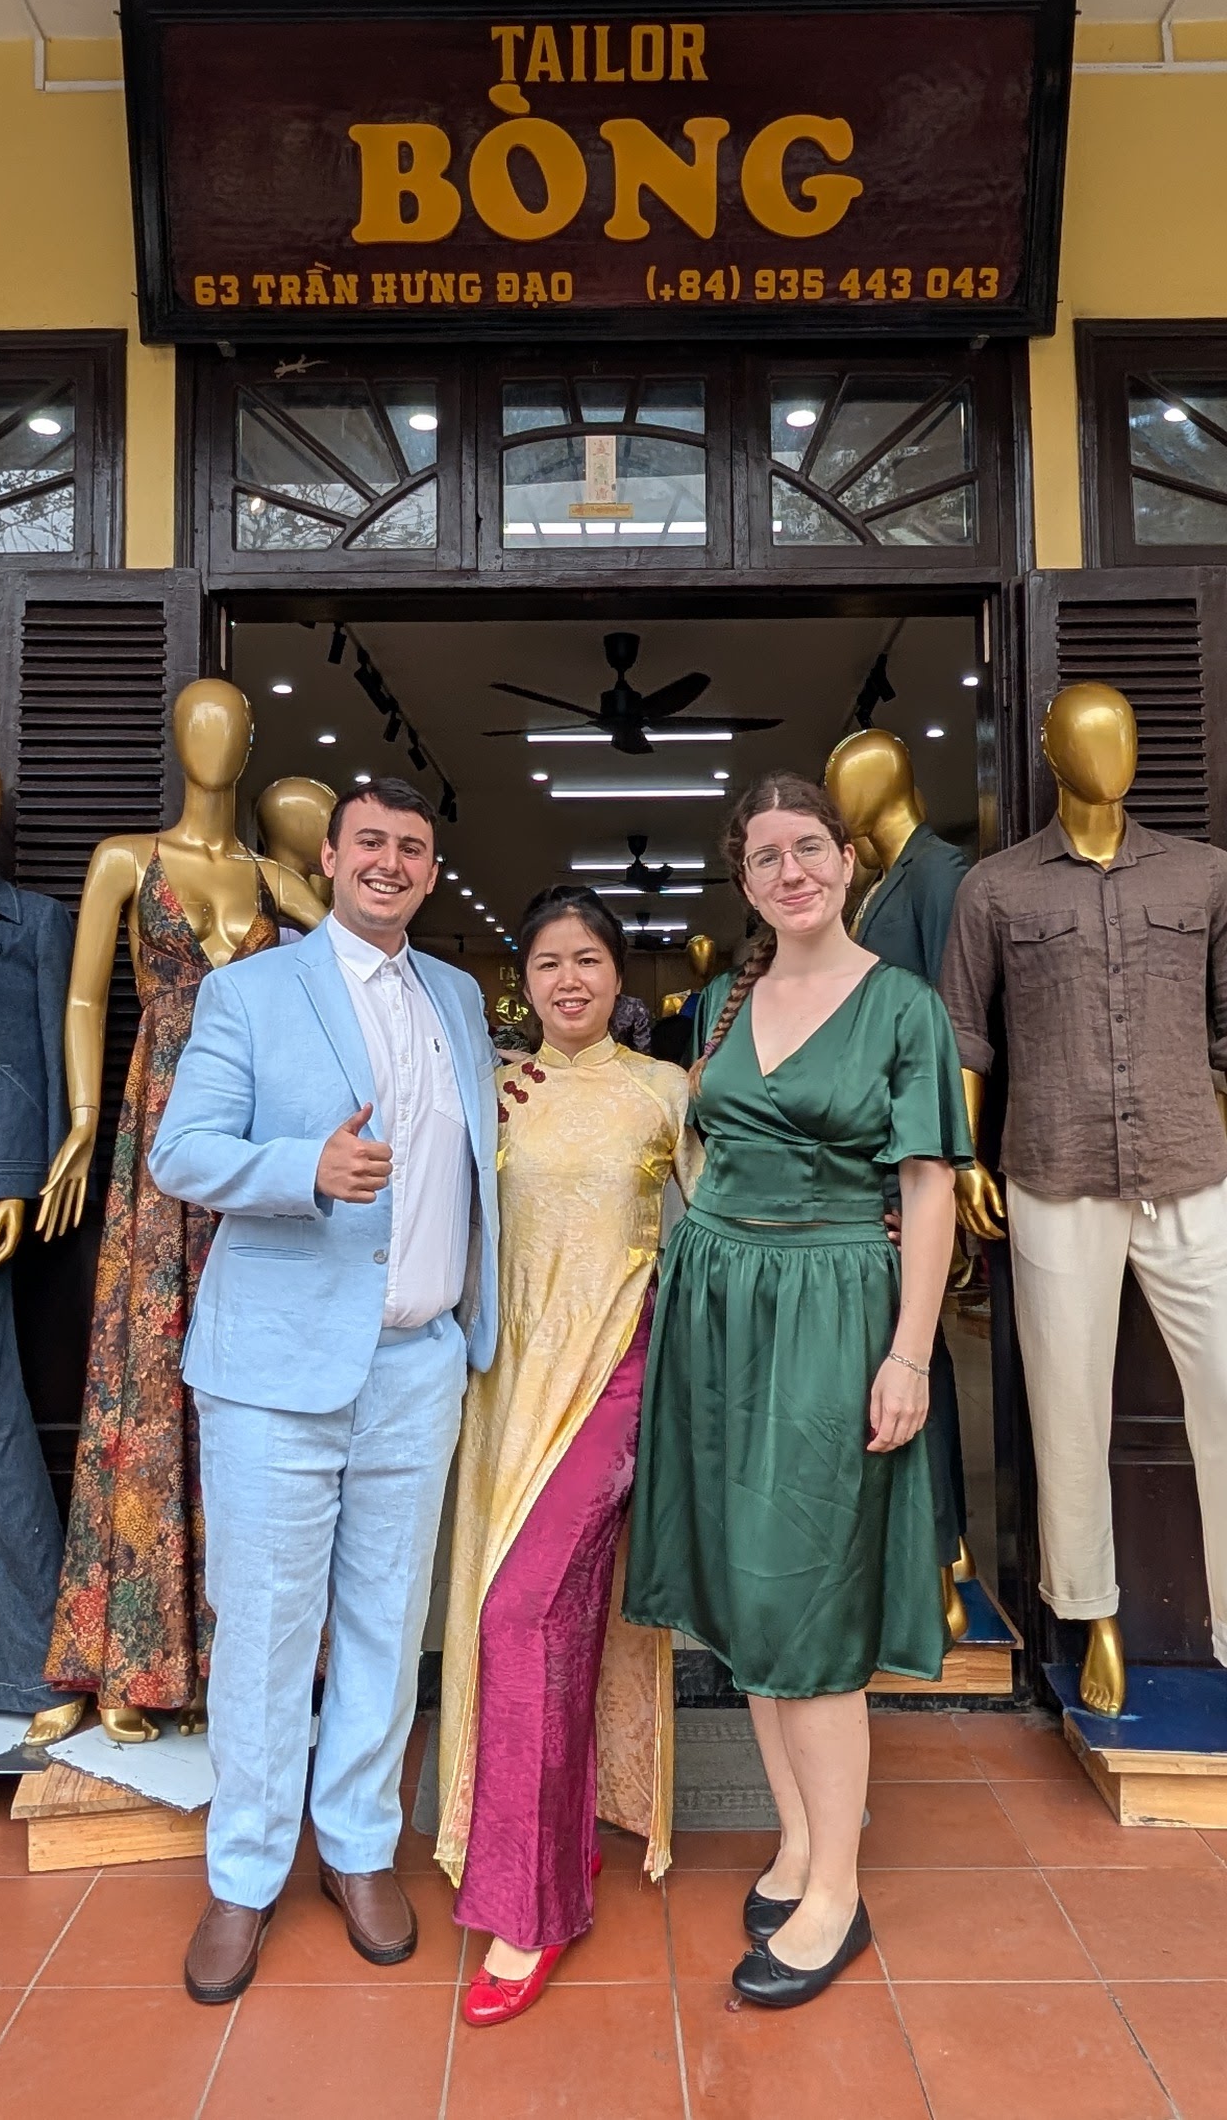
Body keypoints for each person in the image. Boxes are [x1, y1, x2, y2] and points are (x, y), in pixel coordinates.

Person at [148, 777, 498, 2006]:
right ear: (332, 860)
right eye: (370, 844)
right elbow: (180, 1151)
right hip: (274, 1369)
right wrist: (306, 1166)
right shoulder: (251, 991)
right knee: (264, 1630)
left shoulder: (458, 997)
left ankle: (356, 1847)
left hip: (418, 1362)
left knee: (387, 1626)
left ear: (430, 869)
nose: (389, 862)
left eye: (412, 847)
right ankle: (243, 1876)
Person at [624, 771, 970, 2010]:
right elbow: (700, 1149)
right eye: (765, 855)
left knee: (804, 1594)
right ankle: (798, 1839)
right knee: (742, 1589)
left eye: (809, 847)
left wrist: (908, 1352)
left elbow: (927, 1185)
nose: (791, 871)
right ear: (744, 876)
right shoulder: (722, 1001)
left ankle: (837, 1889)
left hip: (831, 1310)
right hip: (717, 1305)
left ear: (845, 859)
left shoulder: (902, 1006)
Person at [437, 886, 698, 2027]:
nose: (568, 980)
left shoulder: (663, 1092)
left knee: (523, 1616)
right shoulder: (493, 1091)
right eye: (547, 963)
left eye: (587, 960)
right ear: (525, 981)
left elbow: (717, 1231)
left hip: (614, 1381)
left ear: (617, 975)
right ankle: (561, 1840)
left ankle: (528, 1907)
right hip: (505, 1388)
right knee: (550, 1617)